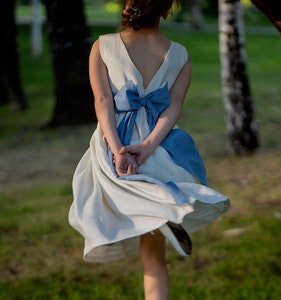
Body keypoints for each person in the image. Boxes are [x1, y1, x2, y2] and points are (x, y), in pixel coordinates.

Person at [69, 0, 230, 299]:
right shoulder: (180, 55)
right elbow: (174, 106)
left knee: (112, 202)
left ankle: (162, 215)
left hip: (118, 142)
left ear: (128, 5)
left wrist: (118, 150)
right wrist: (147, 145)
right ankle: (166, 214)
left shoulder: (102, 46)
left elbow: (103, 101)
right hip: (159, 147)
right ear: (167, 10)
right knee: (154, 252)